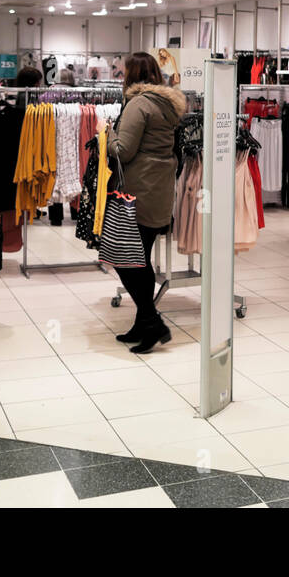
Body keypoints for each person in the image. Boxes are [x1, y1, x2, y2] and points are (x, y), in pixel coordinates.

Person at [100, 52, 187, 353]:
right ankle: (143, 323)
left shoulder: (139, 103)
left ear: (132, 73)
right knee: (140, 256)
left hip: (138, 190)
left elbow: (123, 151)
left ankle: (152, 322)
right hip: (159, 188)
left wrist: (107, 134)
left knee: (127, 259)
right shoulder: (167, 103)